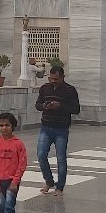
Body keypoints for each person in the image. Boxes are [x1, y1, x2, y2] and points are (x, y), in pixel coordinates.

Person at [36, 66, 80, 196]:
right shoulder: (45, 88)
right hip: (46, 127)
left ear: (62, 77)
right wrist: (44, 106)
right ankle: (49, 181)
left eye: (56, 79)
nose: (53, 81)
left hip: (61, 128)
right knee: (41, 154)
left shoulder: (70, 90)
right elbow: (37, 104)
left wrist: (60, 106)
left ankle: (60, 187)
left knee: (61, 158)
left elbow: (76, 109)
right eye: (51, 78)